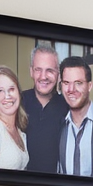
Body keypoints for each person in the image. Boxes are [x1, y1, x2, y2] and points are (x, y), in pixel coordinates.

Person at [56, 58, 93, 179]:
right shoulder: (59, 127)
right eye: (66, 83)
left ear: (89, 86)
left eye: (78, 83)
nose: (71, 89)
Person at [20, 45, 67, 175]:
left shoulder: (67, 107)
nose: (43, 76)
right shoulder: (17, 101)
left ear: (58, 74)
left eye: (50, 70)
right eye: (38, 70)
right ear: (31, 72)